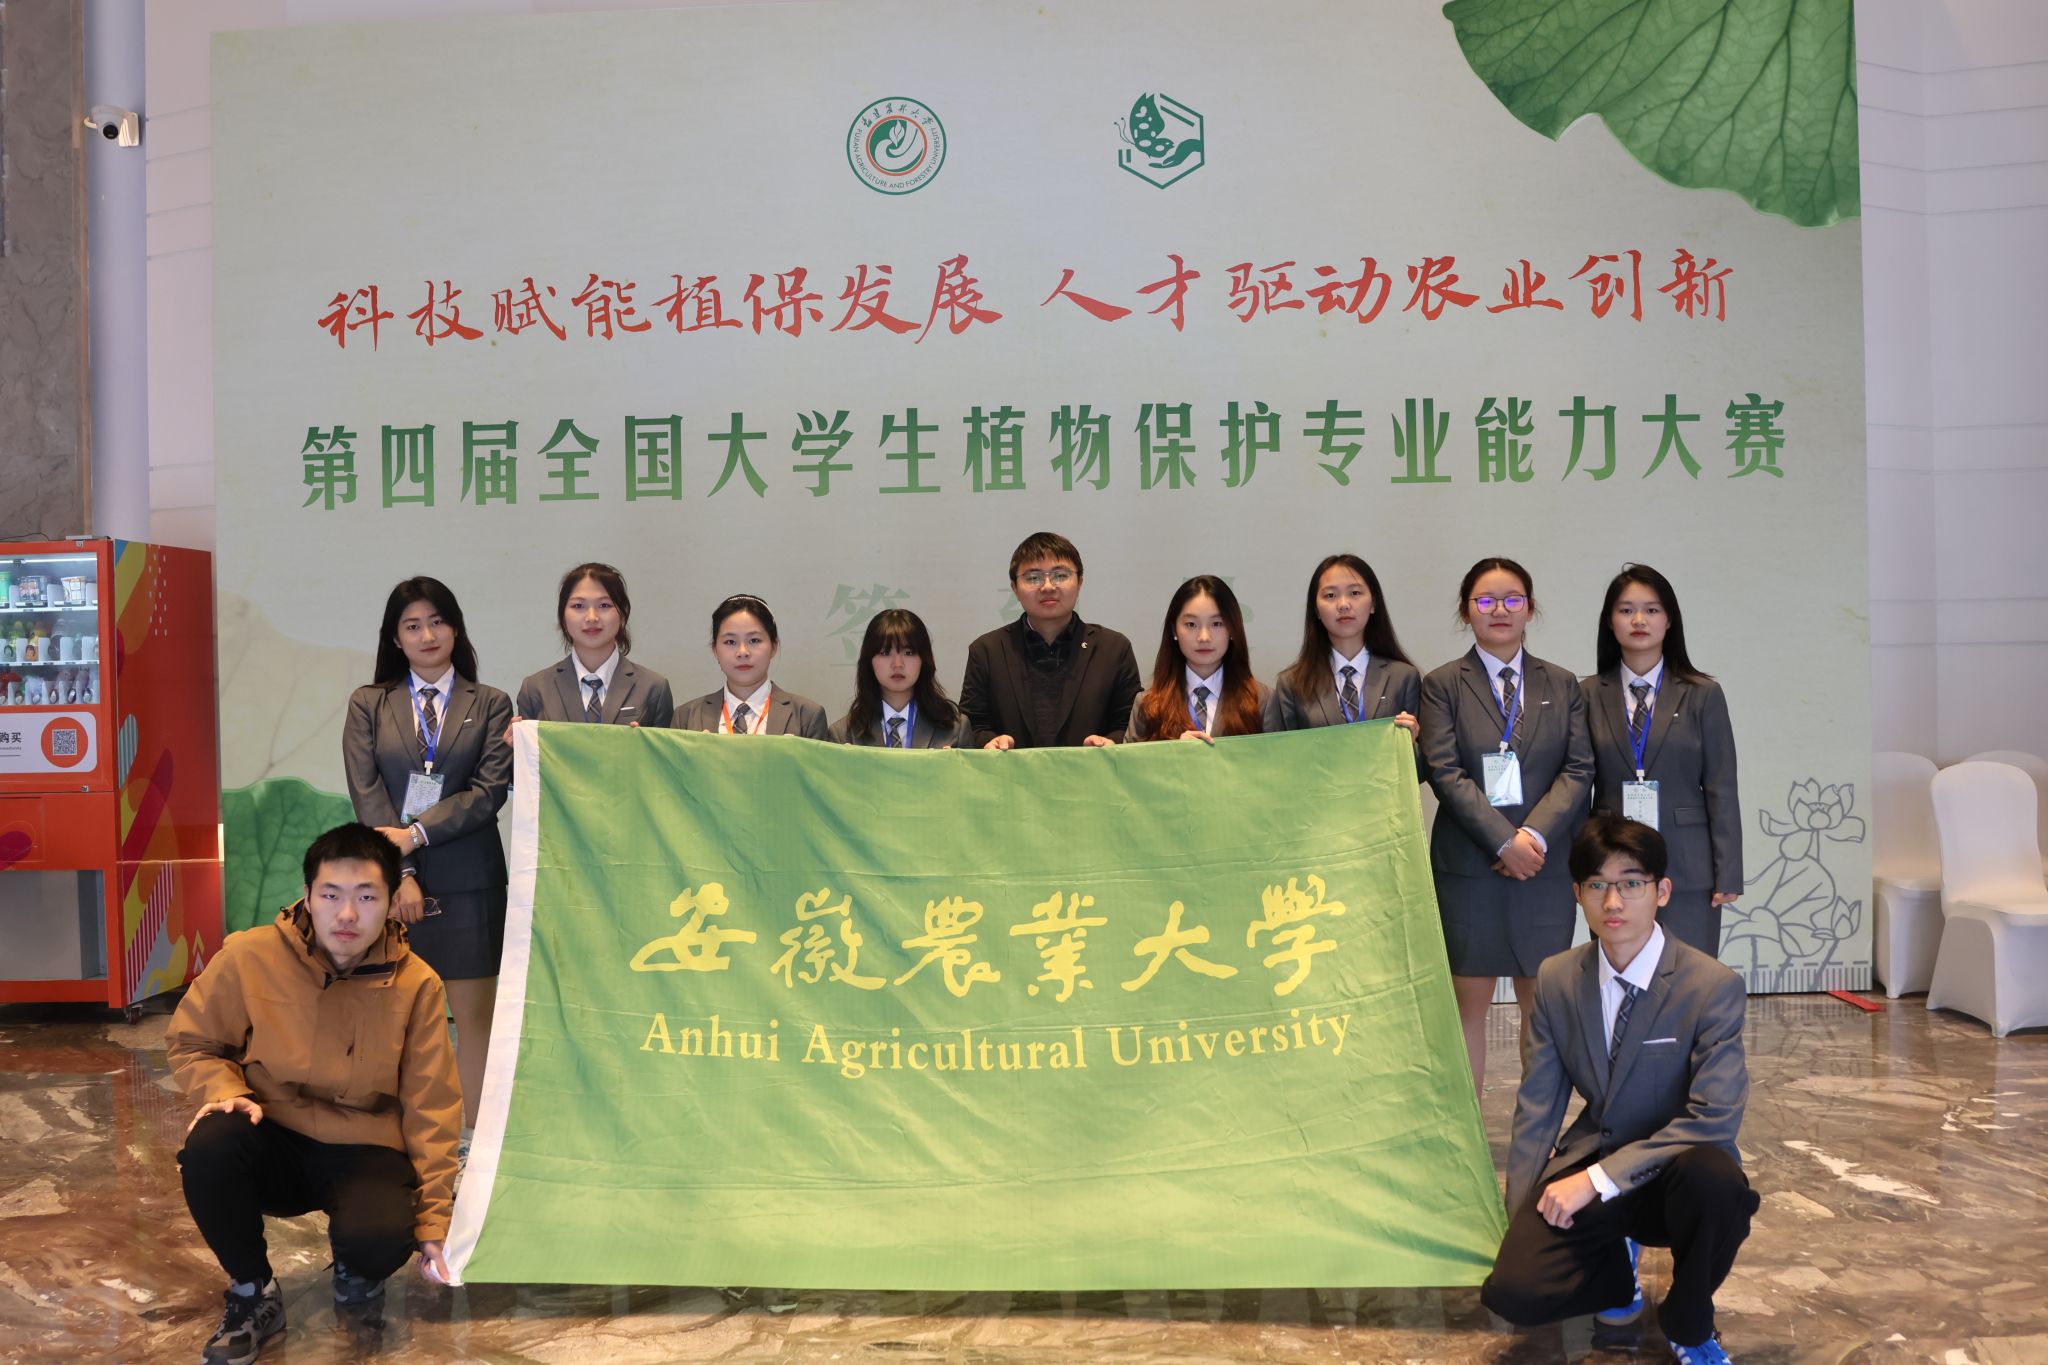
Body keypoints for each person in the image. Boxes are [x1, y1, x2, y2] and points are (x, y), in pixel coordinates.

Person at [170, 823, 462, 1364]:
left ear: (391, 902)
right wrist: (225, 1089)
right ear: (307, 895)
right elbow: (195, 1042)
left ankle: (358, 1267)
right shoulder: (249, 957)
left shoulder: (418, 984)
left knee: (379, 1242)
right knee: (211, 1144)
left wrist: (433, 1223)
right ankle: (252, 1291)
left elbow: (433, 1108)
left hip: (365, 1146)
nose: (346, 915)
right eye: (330, 895)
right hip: (272, 1132)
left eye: (366, 897)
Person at [1481, 815, 1756, 1365]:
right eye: (1597, 885)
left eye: (1631, 883)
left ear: (1662, 891)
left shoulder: (1711, 986)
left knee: (1719, 1184)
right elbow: (1538, 1109)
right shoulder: (1558, 978)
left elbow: (1715, 1118)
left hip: (1680, 1168)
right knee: (1515, 1294)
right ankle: (1615, 1268)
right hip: (1597, 1152)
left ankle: (1688, 1320)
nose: (1613, 901)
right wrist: (1521, 1221)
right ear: (1577, 895)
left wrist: (1597, 1181)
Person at [342, 576, 511, 1138]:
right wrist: (403, 873)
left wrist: (414, 836)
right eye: (412, 626)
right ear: (396, 638)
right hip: (391, 887)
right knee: (397, 1022)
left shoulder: (491, 703)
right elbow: (368, 794)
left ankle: (475, 1144)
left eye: (437, 622)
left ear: (455, 628)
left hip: (471, 883)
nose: (427, 635)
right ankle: (401, 1139)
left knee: (475, 1021)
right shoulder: (369, 704)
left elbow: (487, 793)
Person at [1419, 556, 1593, 1091]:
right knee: (1466, 1006)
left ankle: (1537, 1130)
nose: (1500, 610)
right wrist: (1501, 840)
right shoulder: (1442, 685)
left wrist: (1530, 838)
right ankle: (1467, 1132)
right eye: (1486, 600)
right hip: (1471, 867)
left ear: (1530, 609)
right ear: (1465, 611)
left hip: (1543, 866)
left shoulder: (1562, 683)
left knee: (1541, 1006)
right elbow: (1444, 770)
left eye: (1513, 599)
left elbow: (1578, 768)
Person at [1585, 565, 1741, 957]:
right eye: (1626, 610)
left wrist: (1728, 871)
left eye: (1651, 610)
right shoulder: (1586, 694)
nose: (1639, 620)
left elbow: (1722, 787)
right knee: (1618, 974)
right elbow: (1576, 783)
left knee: (1688, 976)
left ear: (1669, 620)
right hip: (1611, 866)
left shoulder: (1702, 694)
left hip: (1687, 864)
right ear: (1610, 621)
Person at [958, 531, 1141, 749]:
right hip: (1008, 770)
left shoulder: (1113, 648)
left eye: (1060, 576)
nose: (1047, 586)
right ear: (1015, 588)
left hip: (1094, 769)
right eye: (1033, 578)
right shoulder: (987, 651)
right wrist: (989, 742)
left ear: (1080, 582)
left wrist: (1110, 742)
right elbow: (972, 724)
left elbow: (1130, 723)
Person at [1270, 553, 1421, 741]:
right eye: (1330, 595)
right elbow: (1278, 753)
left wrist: (1411, 742)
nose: (1343, 605)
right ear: (1316, 610)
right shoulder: (1292, 684)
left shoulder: (1403, 678)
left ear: (1373, 603)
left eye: (1355, 593)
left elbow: (1421, 755)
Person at [513, 562, 675, 728]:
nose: (591, 617)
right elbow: (529, 745)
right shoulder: (535, 689)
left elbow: (664, 745)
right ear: (562, 616)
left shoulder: (654, 687)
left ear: (623, 613)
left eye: (604, 605)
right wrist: (513, 741)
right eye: (578, 606)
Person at [1124, 575, 1276, 742]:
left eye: (1217, 624)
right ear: (1174, 630)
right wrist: (1173, 752)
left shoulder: (1263, 700)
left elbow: (1279, 757)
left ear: (1233, 629)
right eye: (1191, 624)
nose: (1204, 637)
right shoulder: (1147, 704)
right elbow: (1130, 759)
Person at [674, 595, 830, 737]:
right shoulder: (685, 718)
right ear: (715, 650)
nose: (743, 652)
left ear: (774, 646)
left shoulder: (806, 716)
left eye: (754, 640)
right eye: (730, 642)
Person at [829, 608, 973, 748]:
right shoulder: (843, 735)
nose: (897, 664)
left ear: (924, 660)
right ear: (869, 661)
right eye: (885, 652)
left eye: (908, 652)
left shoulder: (955, 728)